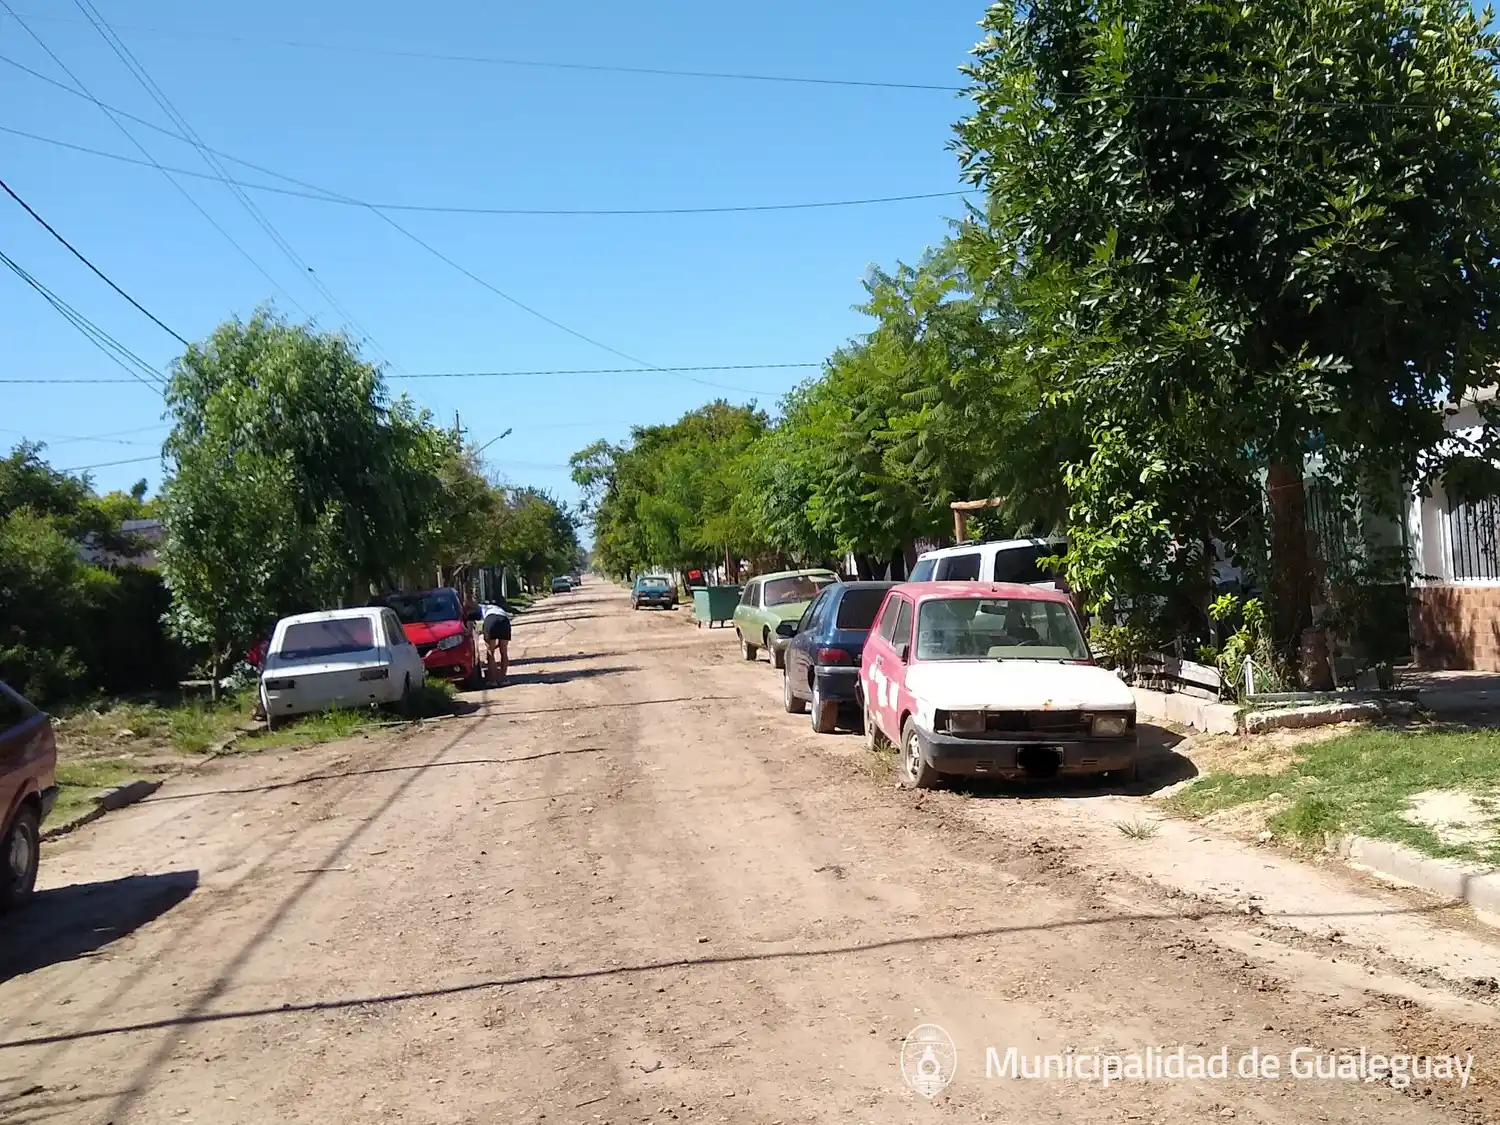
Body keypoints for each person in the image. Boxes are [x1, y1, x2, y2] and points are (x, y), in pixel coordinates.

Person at [479, 599, 511, 685]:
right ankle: (504, 679)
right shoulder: (499, 609)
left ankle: (492, 681)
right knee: (504, 651)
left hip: (490, 620)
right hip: (504, 620)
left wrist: (489, 645)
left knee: (490, 652)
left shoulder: (481, 607)